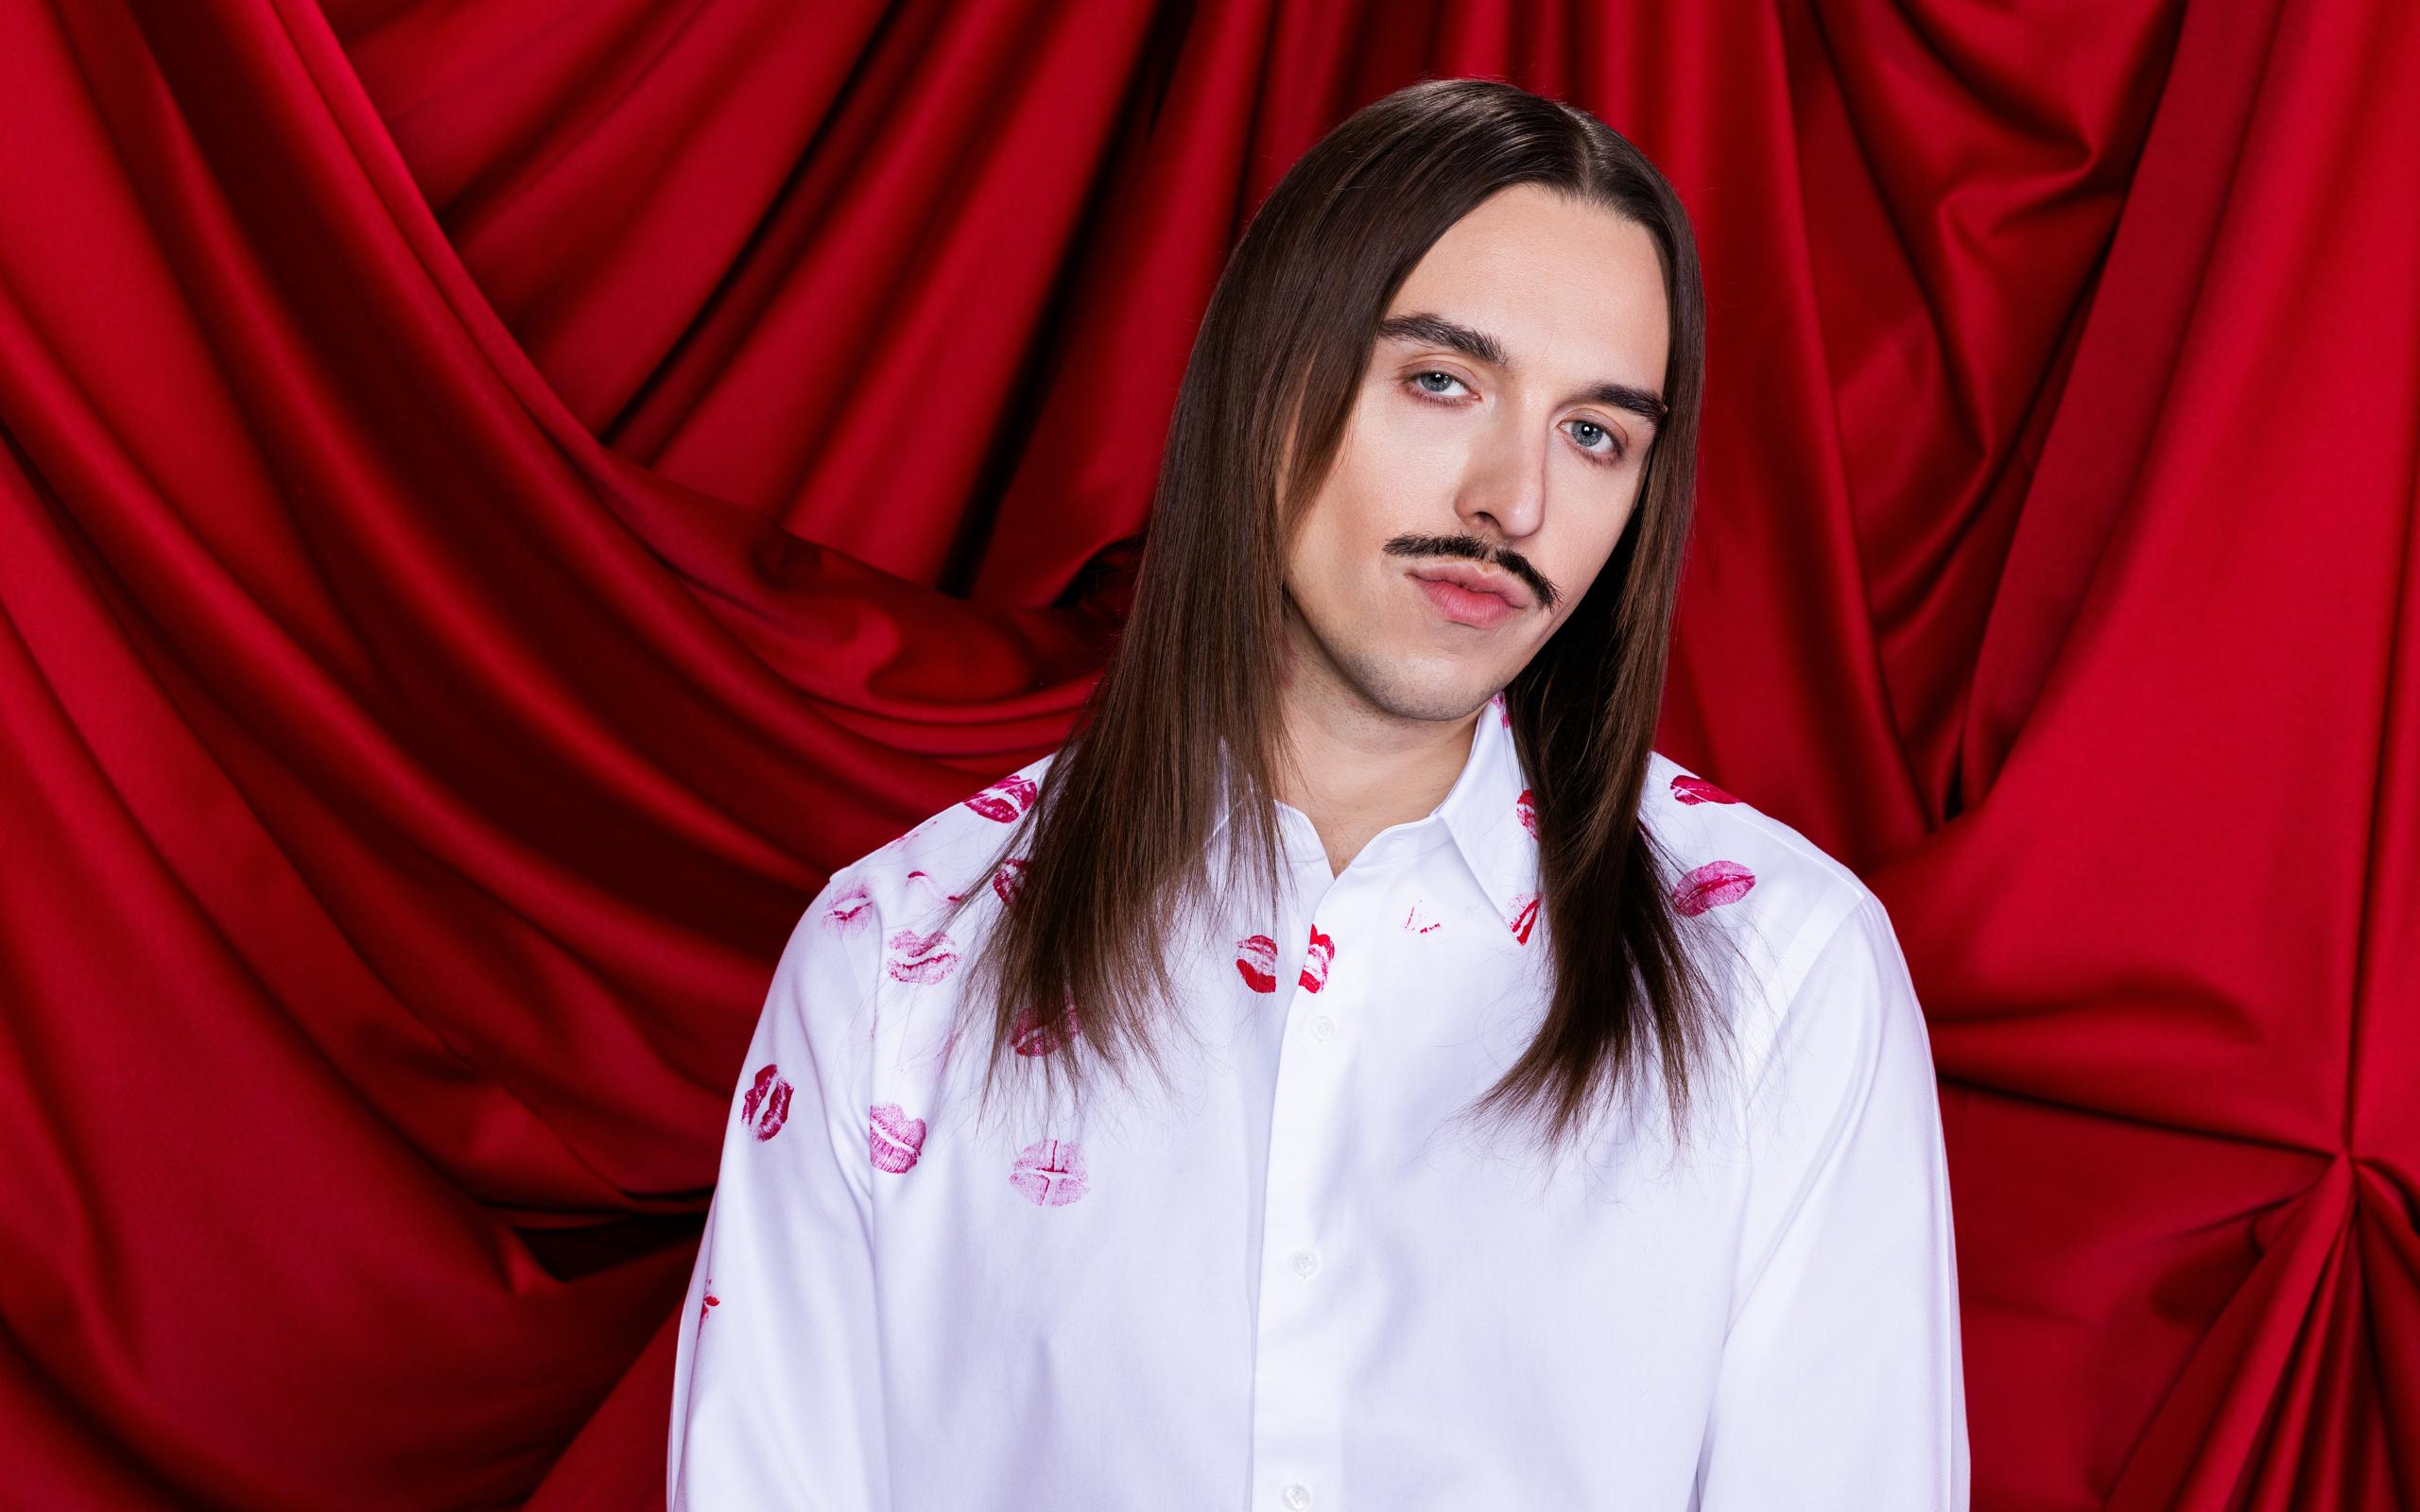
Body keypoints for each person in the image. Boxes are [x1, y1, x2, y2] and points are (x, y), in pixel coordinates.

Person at [667, 76, 1967, 1511]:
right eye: (1441, 382)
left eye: (1596, 434)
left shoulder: (1781, 976)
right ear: (1268, 380)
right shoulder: (898, 962)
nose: (1512, 500)